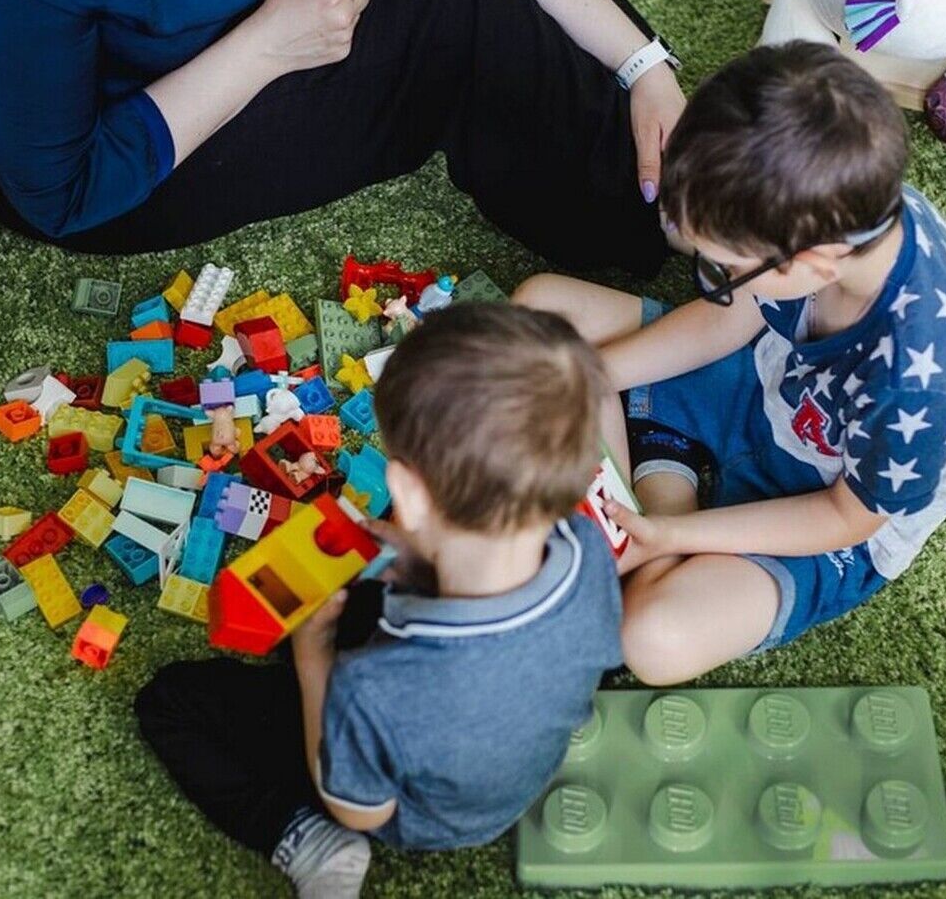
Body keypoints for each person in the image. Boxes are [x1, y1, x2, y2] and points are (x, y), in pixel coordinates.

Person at [514, 41, 946, 684]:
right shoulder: (835, 203)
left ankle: (660, 513)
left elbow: (843, 517)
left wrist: (674, 539)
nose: (711, 277)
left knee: (654, 639)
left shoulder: (922, 378)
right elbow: (732, 317)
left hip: (820, 507)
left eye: (719, 268)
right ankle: (659, 504)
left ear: (811, 265)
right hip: (760, 382)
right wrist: (596, 373)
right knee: (540, 312)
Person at [134, 303, 623, 898]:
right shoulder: (588, 551)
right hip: (514, 761)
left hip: (419, 815)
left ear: (408, 494)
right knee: (357, 600)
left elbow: (359, 809)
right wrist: (409, 553)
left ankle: (303, 840)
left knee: (171, 703)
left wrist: (316, 659)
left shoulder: (372, 685)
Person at [0, 0, 683, 274]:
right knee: (453, 7)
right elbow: (60, 189)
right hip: (119, 147)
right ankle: (677, 223)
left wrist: (644, 65)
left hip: (224, 1)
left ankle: (687, 153)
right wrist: (268, 46)